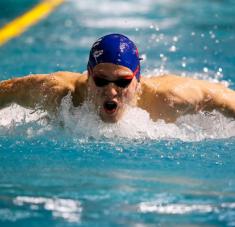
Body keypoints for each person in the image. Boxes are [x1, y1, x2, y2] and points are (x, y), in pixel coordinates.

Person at [0, 33, 235, 123]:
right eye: (101, 80)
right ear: (89, 75)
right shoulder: (58, 93)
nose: (111, 92)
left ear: (137, 79)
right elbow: (6, 91)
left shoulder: (168, 98)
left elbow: (222, 97)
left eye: (123, 82)